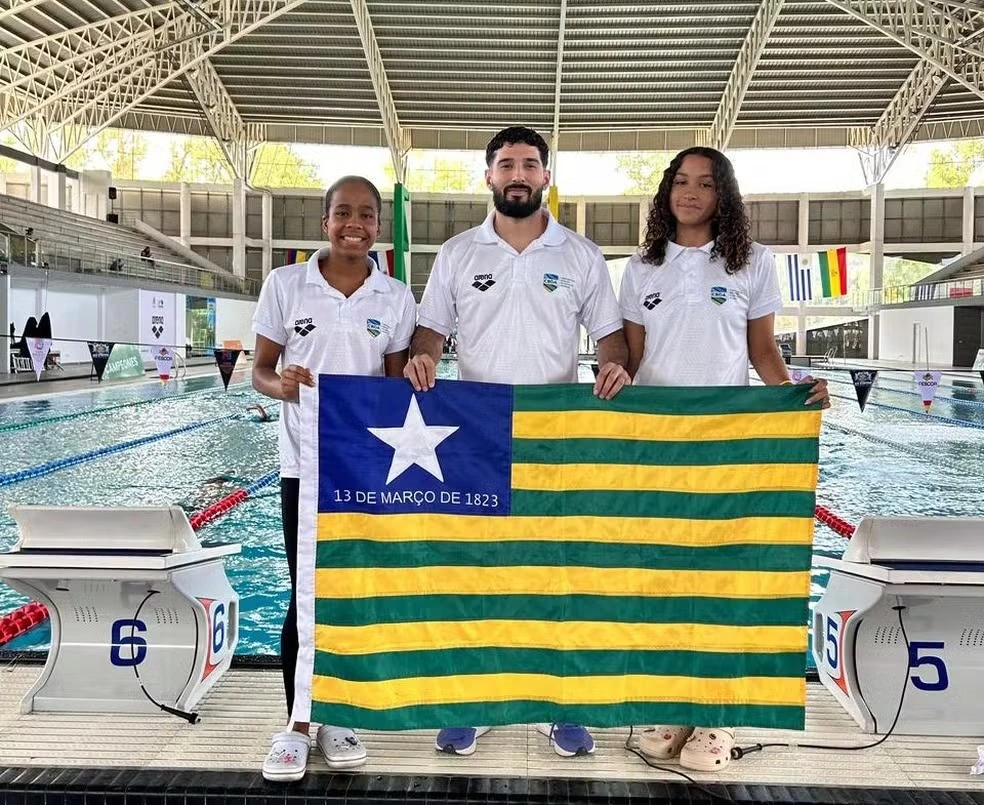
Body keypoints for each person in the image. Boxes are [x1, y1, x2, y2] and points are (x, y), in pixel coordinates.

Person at [404, 125, 631, 759]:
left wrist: (615, 367)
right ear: (489, 177)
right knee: (478, 574)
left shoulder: (580, 255)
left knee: (554, 576)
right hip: (474, 436)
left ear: (546, 177)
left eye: (530, 164)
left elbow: (610, 336)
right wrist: (423, 361)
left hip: (553, 438)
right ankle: (473, 700)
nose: (518, 175)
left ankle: (559, 704)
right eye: (507, 164)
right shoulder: (456, 254)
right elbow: (430, 332)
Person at [618, 146, 830, 773]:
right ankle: (668, 703)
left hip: (725, 444)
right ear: (666, 192)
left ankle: (714, 715)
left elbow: (762, 351)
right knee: (661, 581)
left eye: (704, 184)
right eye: (681, 182)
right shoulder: (639, 266)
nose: (690, 192)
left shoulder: (752, 262)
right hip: (655, 448)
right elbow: (631, 362)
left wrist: (793, 398)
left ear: (723, 196)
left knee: (718, 580)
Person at [251, 175, 417, 782]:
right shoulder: (286, 284)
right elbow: (260, 373)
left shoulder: (395, 297)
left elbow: (398, 389)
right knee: (304, 593)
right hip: (304, 462)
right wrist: (283, 386)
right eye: (342, 212)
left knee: (353, 590)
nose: (355, 222)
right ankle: (296, 723)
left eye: (366, 214)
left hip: (367, 466)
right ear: (325, 221)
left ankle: (339, 713)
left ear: (379, 226)